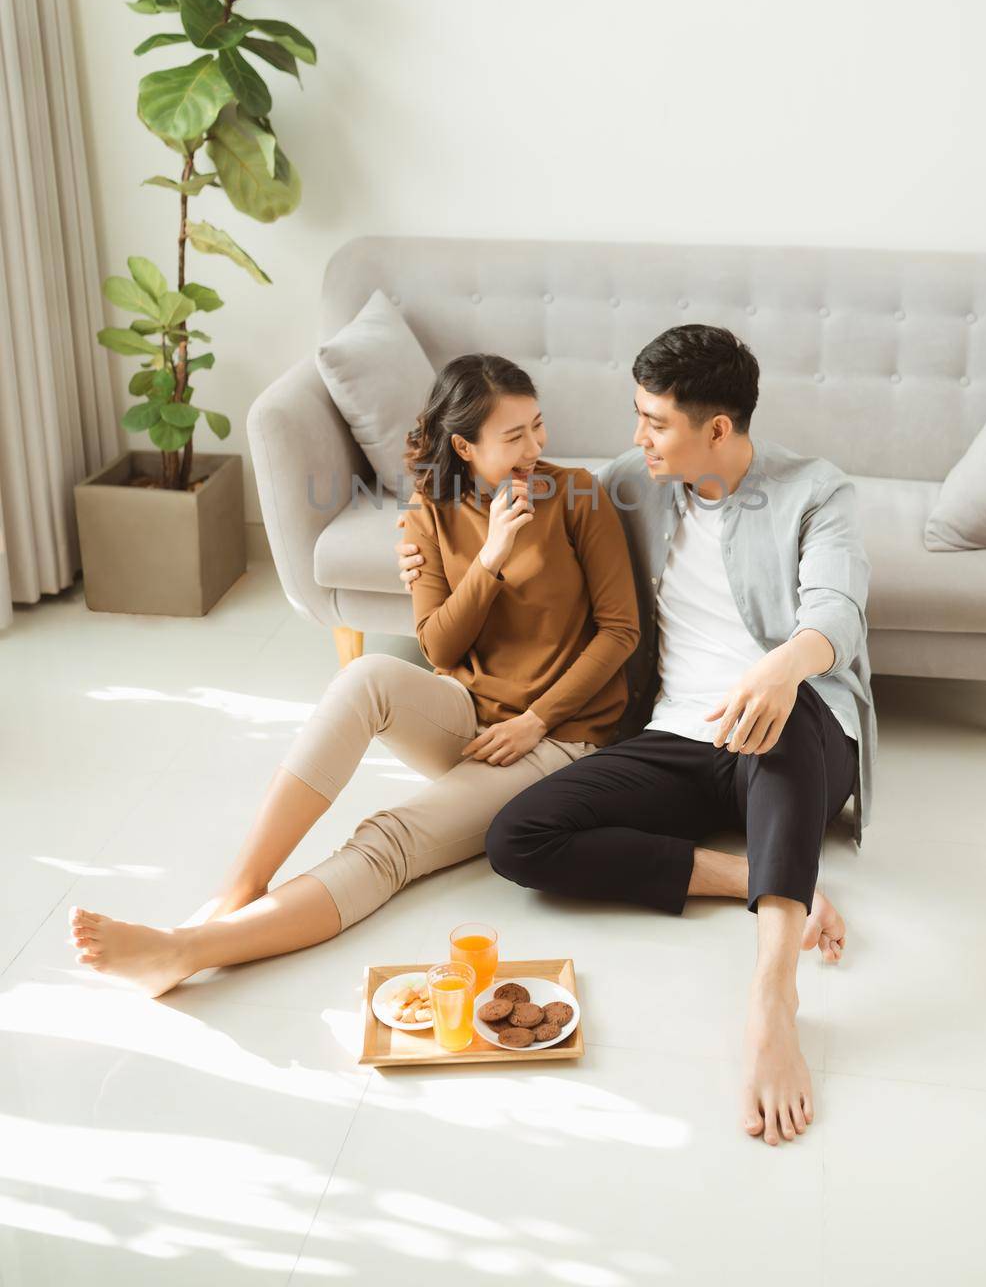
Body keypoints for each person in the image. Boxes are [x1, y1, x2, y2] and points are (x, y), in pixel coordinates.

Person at [397, 324, 875, 1148]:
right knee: (518, 836)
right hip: (678, 735)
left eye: (655, 421)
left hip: (797, 725)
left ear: (716, 430)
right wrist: (424, 539)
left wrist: (782, 668)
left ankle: (772, 1000)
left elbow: (838, 610)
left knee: (780, 719)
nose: (636, 436)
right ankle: (753, 873)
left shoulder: (815, 492)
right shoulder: (624, 484)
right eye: (637, 415)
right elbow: (511, 518)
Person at [66, 354, 640, 1001]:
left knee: (388, 838)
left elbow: (622, 634)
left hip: (558, 740)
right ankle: (241, 888)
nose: (536, 447)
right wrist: (490, 560)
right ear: (463, 445)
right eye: (514, 437)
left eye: (538, 427)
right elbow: (441, 648)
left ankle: (186, 950)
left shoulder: (580, 498)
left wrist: (537, 721)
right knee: (365, 675)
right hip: (472, 717)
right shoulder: (429, 513)